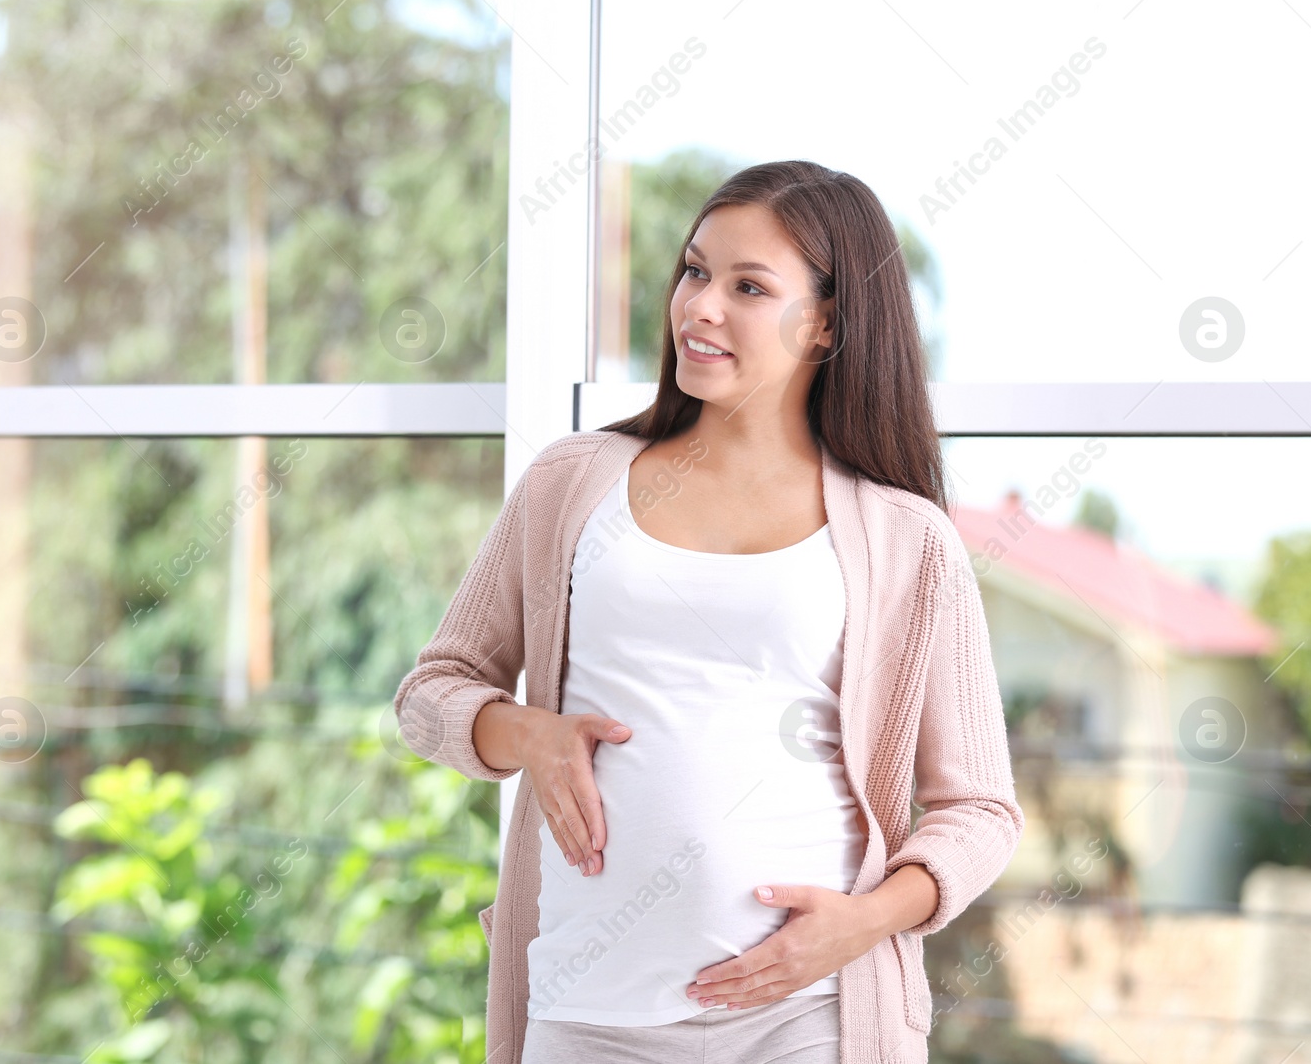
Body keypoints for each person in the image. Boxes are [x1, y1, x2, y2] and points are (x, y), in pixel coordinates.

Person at [393, 159, 1023, 1064]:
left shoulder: (905, 539)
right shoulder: (571, 484)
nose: (700, 307)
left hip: (809, 1014)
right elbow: (431, 694)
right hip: (586, 1006)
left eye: (749, 286)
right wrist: (524, 732)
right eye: (694, 271)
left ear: (828, 323)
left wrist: (863, 923)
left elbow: (980, 808)